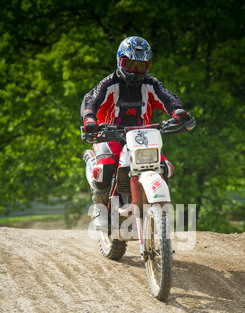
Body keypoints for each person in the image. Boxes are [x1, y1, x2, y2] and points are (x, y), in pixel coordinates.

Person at [81, 36, 192, 230]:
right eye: (130, 64)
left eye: (141, 66)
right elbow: (91, 100)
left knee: (165, 166)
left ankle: (155, 210)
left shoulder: (151, 84)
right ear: (119, 61)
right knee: (105, 168)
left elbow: (168, 98)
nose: (135, 71)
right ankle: (100, 209)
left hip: (142, 137)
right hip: (110, 136)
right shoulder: (109, 84)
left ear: (148, 66)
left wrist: (177, 111)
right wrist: (90, 118)